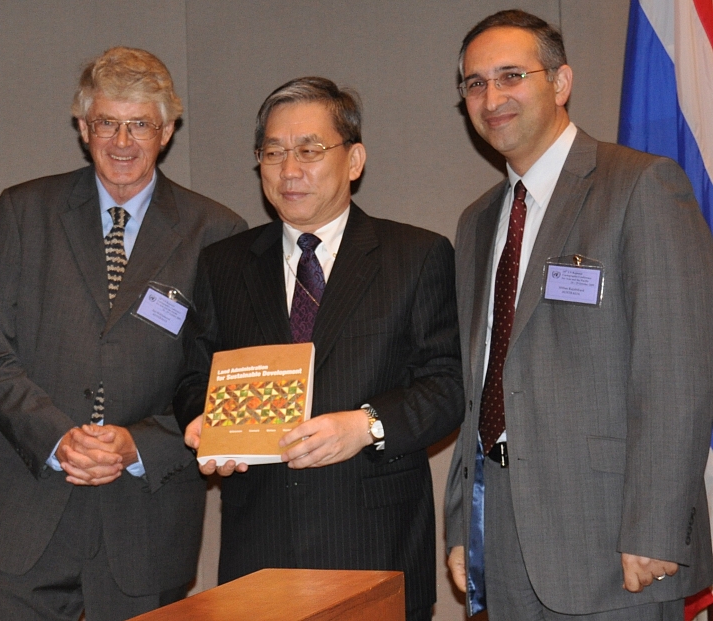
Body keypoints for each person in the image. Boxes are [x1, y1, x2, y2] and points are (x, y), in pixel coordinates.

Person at [444, 10, 713, 620]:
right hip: (502, 530)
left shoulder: (641, 186)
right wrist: (466, 520)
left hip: (614, 539)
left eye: (511, 76)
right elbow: (479, 383)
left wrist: (657, 525)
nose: (492, 98)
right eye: (475, 83)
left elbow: (677, 373)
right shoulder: (478, 220)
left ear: (561, 82)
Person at [174, 76, 464, 621]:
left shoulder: (415, 255)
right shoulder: (224, 264)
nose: (289, 170)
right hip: (259, 547)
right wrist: (202, 421)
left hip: (373, 544)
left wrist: (366, 425)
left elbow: (447, 386)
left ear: (354, 160)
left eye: (309, 151)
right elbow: (195, 377)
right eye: (273, 153)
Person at [0, 46, 245, 621]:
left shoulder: (217, 232)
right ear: (82, 127)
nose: (122, 141)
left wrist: (138, 444)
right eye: (106, 123)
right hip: (28, 513)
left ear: (166, 132)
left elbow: (223, 379)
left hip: (146, 523)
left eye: (140, 124)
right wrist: (58, 438)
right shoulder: (24, 211)